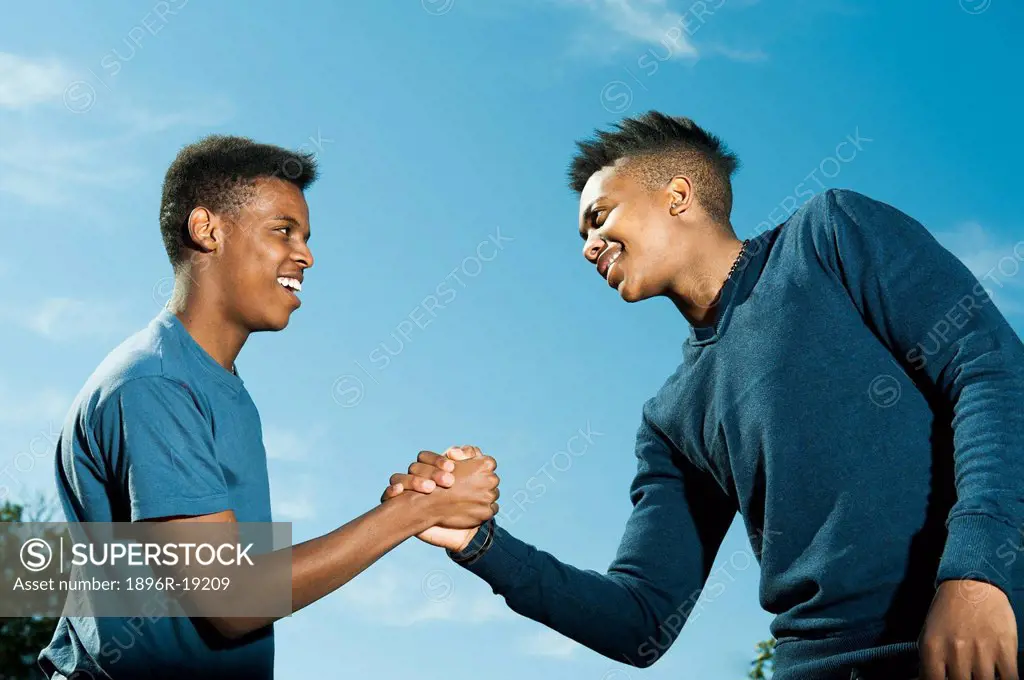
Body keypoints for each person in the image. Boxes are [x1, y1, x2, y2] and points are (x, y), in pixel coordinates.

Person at [384, 111, 1024, 680]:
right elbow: (640, 620)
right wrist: (480, 544)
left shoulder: (829, 236)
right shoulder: (669, 418)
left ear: (679, 194)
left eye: (599, 216)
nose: (587, 246)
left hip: (976, 634)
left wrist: (978, 573)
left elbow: (993, 375)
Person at [38, 135, 495, 679]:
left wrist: (414, 500)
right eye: (283, 231)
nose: (305, 255)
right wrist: (415, 510)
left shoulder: (215, 384)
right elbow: (232, 599)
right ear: (208, 229)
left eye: (305, 236)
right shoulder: (154, 384)